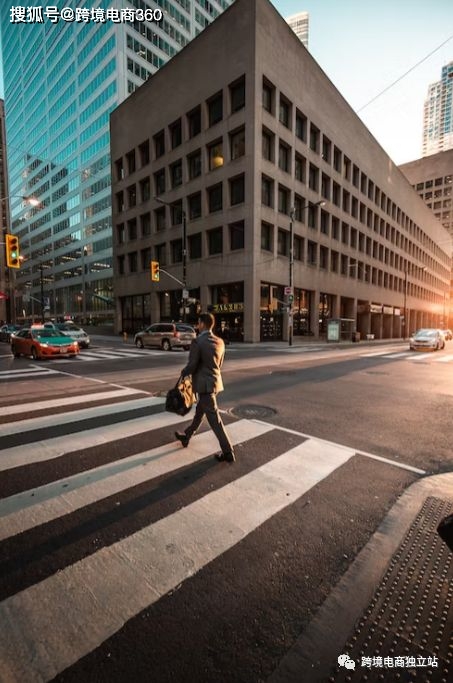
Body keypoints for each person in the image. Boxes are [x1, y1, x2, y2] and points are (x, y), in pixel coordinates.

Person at [174, 312, 235, 463]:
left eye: (198, 323)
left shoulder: (198, 342)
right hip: (214, 383)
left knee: (215, 420)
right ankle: (186, 436)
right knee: (199, 413)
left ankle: (228, 452)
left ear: (202, 324)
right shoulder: (220, 341)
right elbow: (219, 365)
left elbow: (193, 364)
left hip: (203, 385)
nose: (197, 325)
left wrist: (184, 372)